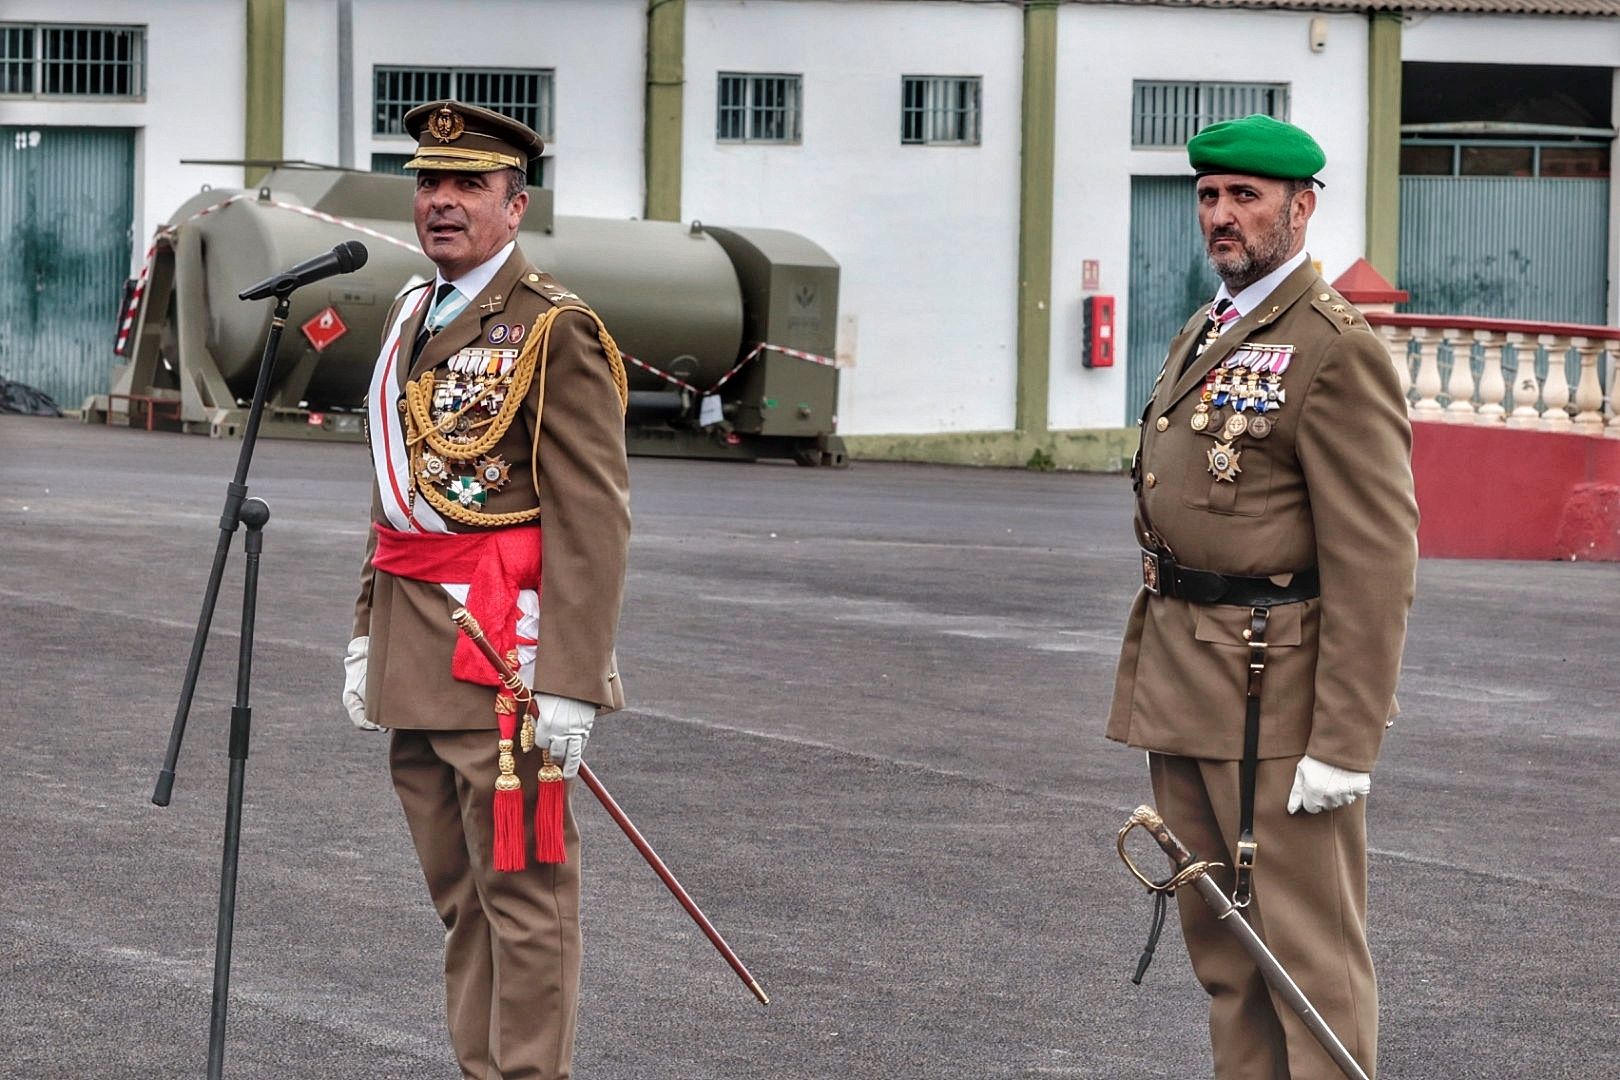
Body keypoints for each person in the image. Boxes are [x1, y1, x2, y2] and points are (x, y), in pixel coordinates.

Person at [1107, 114, 1418, 1079]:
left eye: (1245, 197)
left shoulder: (1334, 349)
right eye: (1209, 197)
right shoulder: (1210, 326)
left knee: (1307, 962)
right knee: (1228, 955)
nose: (1222, 216)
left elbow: (1376, 559)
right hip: (1187, 677)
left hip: (1273, 698)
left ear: (1301, 206)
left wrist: (1345, 742)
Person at [341, 99, 630, 1080]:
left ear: (517, 205)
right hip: (416, 655)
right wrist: (362, 633)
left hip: (504, 657)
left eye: (470, 185)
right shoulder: (412, 316)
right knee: (461, 899)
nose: (444, 202)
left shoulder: (555, 330)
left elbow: (592, 518)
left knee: (526, 897)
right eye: (430, 182)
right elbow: (401, 497)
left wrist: (573, 682)